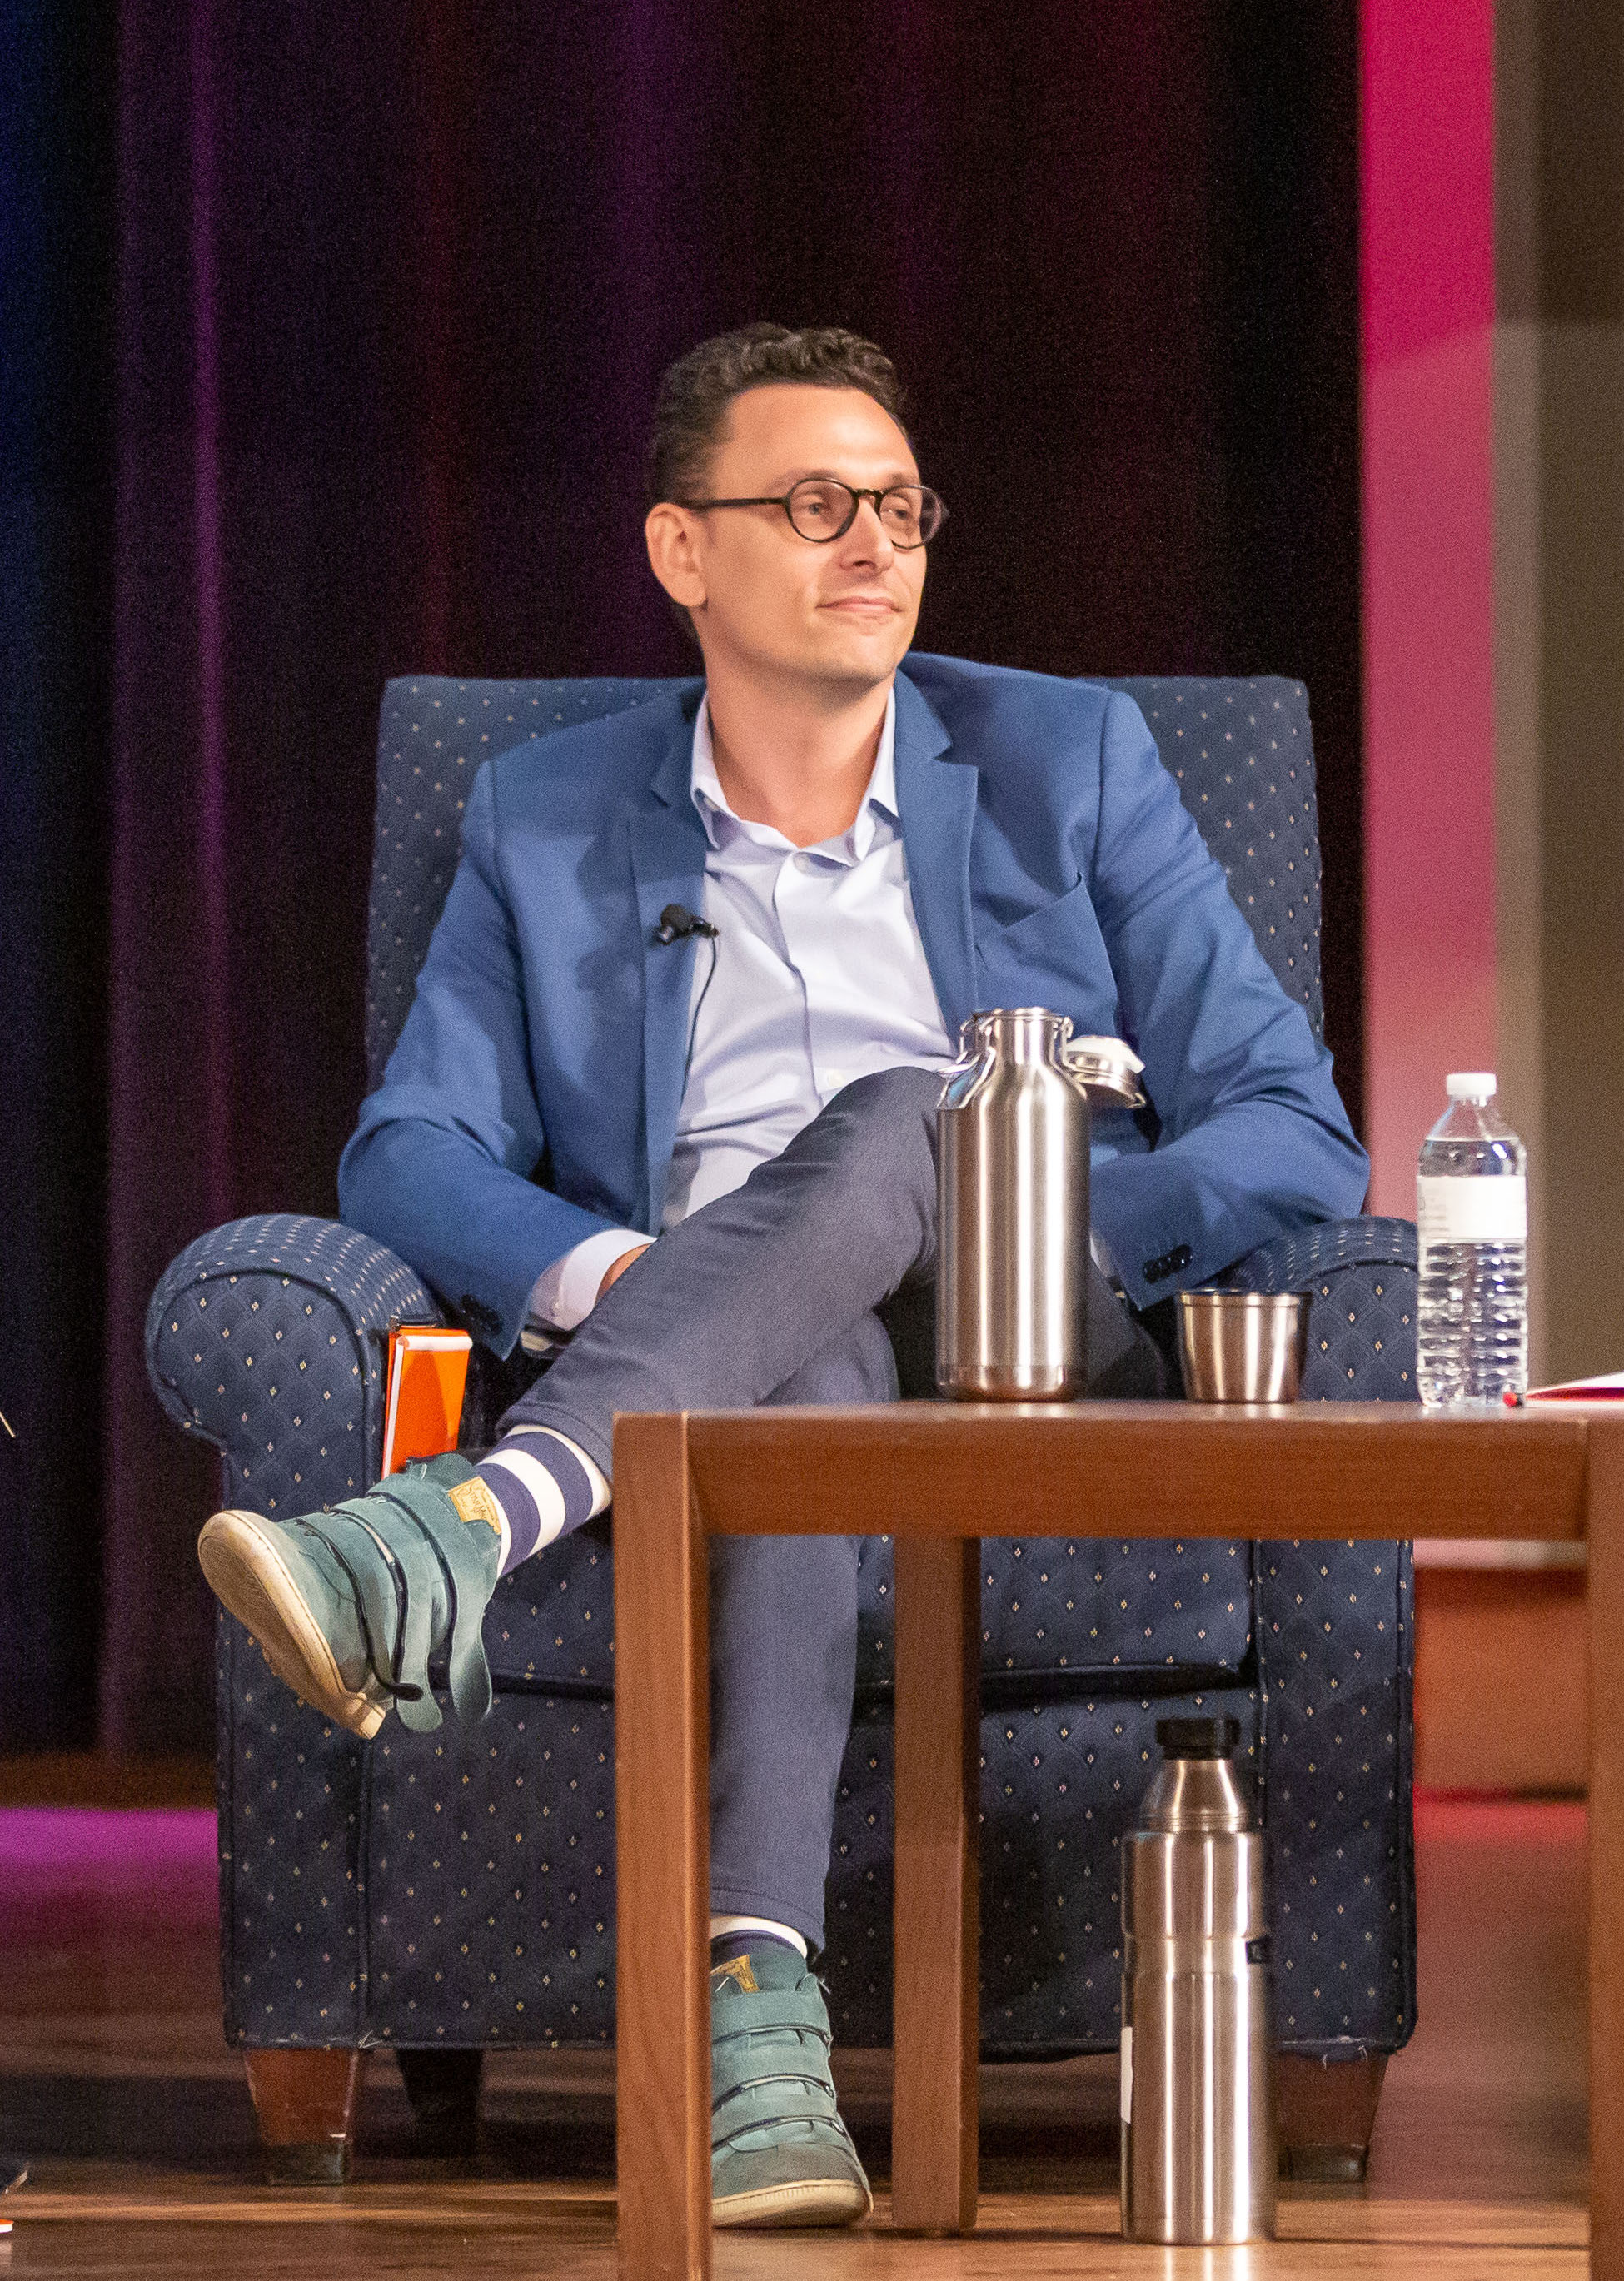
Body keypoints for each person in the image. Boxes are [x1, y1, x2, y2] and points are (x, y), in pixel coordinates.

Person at [194, 324, 1367, 2229]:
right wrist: (630, 1274)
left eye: (900, 507)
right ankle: (759, 2012)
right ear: (682, 551)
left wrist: (1035, 1210)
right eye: (816, 505)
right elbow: (407, 1145)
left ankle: (465, 1529)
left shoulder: (1071, 756)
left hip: (1024, 1311)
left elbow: (1292, 1120)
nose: (874, 547)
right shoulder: (548, 812)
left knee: (925, 1105)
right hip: (723, 1344)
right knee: (795, 1382)